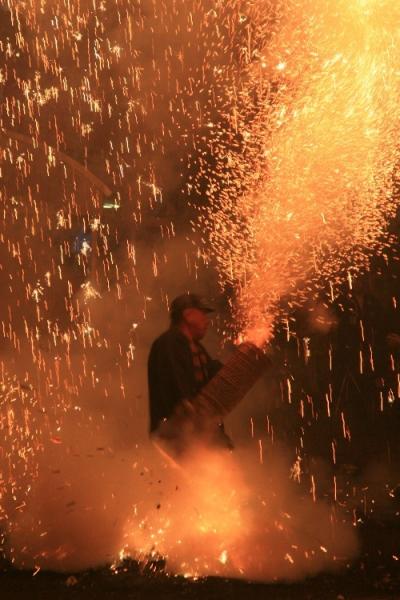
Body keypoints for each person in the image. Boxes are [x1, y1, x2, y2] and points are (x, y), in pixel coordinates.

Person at [147, 293, 233, 454]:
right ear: (187, 315)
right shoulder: (170, 343)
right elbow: (182, 392)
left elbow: (212, 383)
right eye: (203, 314)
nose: (206, 321)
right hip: (177, 438)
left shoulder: (196, 349)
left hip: (193, 438)